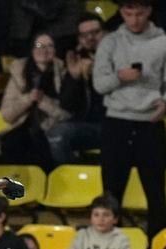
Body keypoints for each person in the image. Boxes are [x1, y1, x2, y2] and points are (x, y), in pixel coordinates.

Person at [93, 0, 166, 242]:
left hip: (150, 123)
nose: (134, 19)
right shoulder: (110, 42)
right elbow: (100, 84)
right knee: (111, 192)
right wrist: (119, 77)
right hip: (116, 122)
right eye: (129, 13)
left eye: (140, 13)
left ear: (149, 12)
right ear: (121, 12)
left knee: (156, 193)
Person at [0, 33, 69, 169]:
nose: (43, 50)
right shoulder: (20, 72)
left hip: (50, 129)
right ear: (32, 49)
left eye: (49, 46)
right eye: (39, 45)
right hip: (21, 126)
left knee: (42, 145)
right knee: (10, 144)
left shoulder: (64, 73)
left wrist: (42, 101)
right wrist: (28, 98)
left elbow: (67, 114)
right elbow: (7, 115)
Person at [50, 13, 107, 165]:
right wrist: (74, 78)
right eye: (84, 35)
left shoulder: (121, 57)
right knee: (55, 134)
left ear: (106, 33)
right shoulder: (77, 61)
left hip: (116, 125)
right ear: (79, 40)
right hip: (88, 126)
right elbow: (67, 105)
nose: (90, 38)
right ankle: (74, 175)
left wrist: (97, 73)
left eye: (95, 32)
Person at [55, 195, 132, 249]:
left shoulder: (122, 239)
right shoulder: (81, 236)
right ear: (91, 218)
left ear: (115, 219)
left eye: (106, 215)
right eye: (96, 215)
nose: (101, 219)